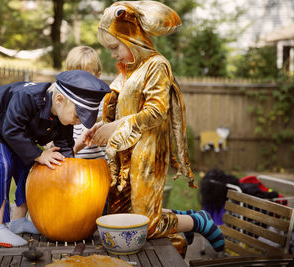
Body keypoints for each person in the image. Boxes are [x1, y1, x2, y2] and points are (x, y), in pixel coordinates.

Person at [86, 1, 225, 252]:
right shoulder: (129, 70)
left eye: (115, 46)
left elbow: (156, 111)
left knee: (145, 225)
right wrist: (98, 128)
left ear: (132, 38)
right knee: (121, 218)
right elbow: (118, 108)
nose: (112, 54)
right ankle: (177, 240)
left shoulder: (156, 65)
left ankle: (197, 221)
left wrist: (116, 127)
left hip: (148, 154)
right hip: (124, 153)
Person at [0, 70, 111, 246]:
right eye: (78, 116)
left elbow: (65, 146)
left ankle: (18, 221)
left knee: (28, 167)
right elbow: (12, 131)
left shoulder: (63, 117)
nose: (79, 122)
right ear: (59, 100)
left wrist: (69, 175)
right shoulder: (27, 98)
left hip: (16, 131)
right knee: (3, 165)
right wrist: (38, 154)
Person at [65, 46, 107, 159]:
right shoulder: (63, 103)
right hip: (69, 167)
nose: (80, 83)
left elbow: (88, 136)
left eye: (86, 78)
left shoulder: (103, 103)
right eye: (75, 77)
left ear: (98, 76)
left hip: (98, 167)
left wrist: (70, 151)